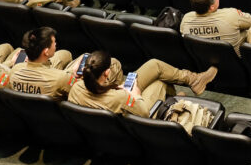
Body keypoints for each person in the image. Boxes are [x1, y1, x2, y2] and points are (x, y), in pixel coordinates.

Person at [70, 50, 217, 116]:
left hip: (117, 94)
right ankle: (173, 101)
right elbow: (143, 113)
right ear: (106, 73)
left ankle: (194, 80)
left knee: (155, 65)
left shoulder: (76, 87)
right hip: (132, 105)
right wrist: (135, 95)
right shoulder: (119, 98)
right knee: (159, 82)